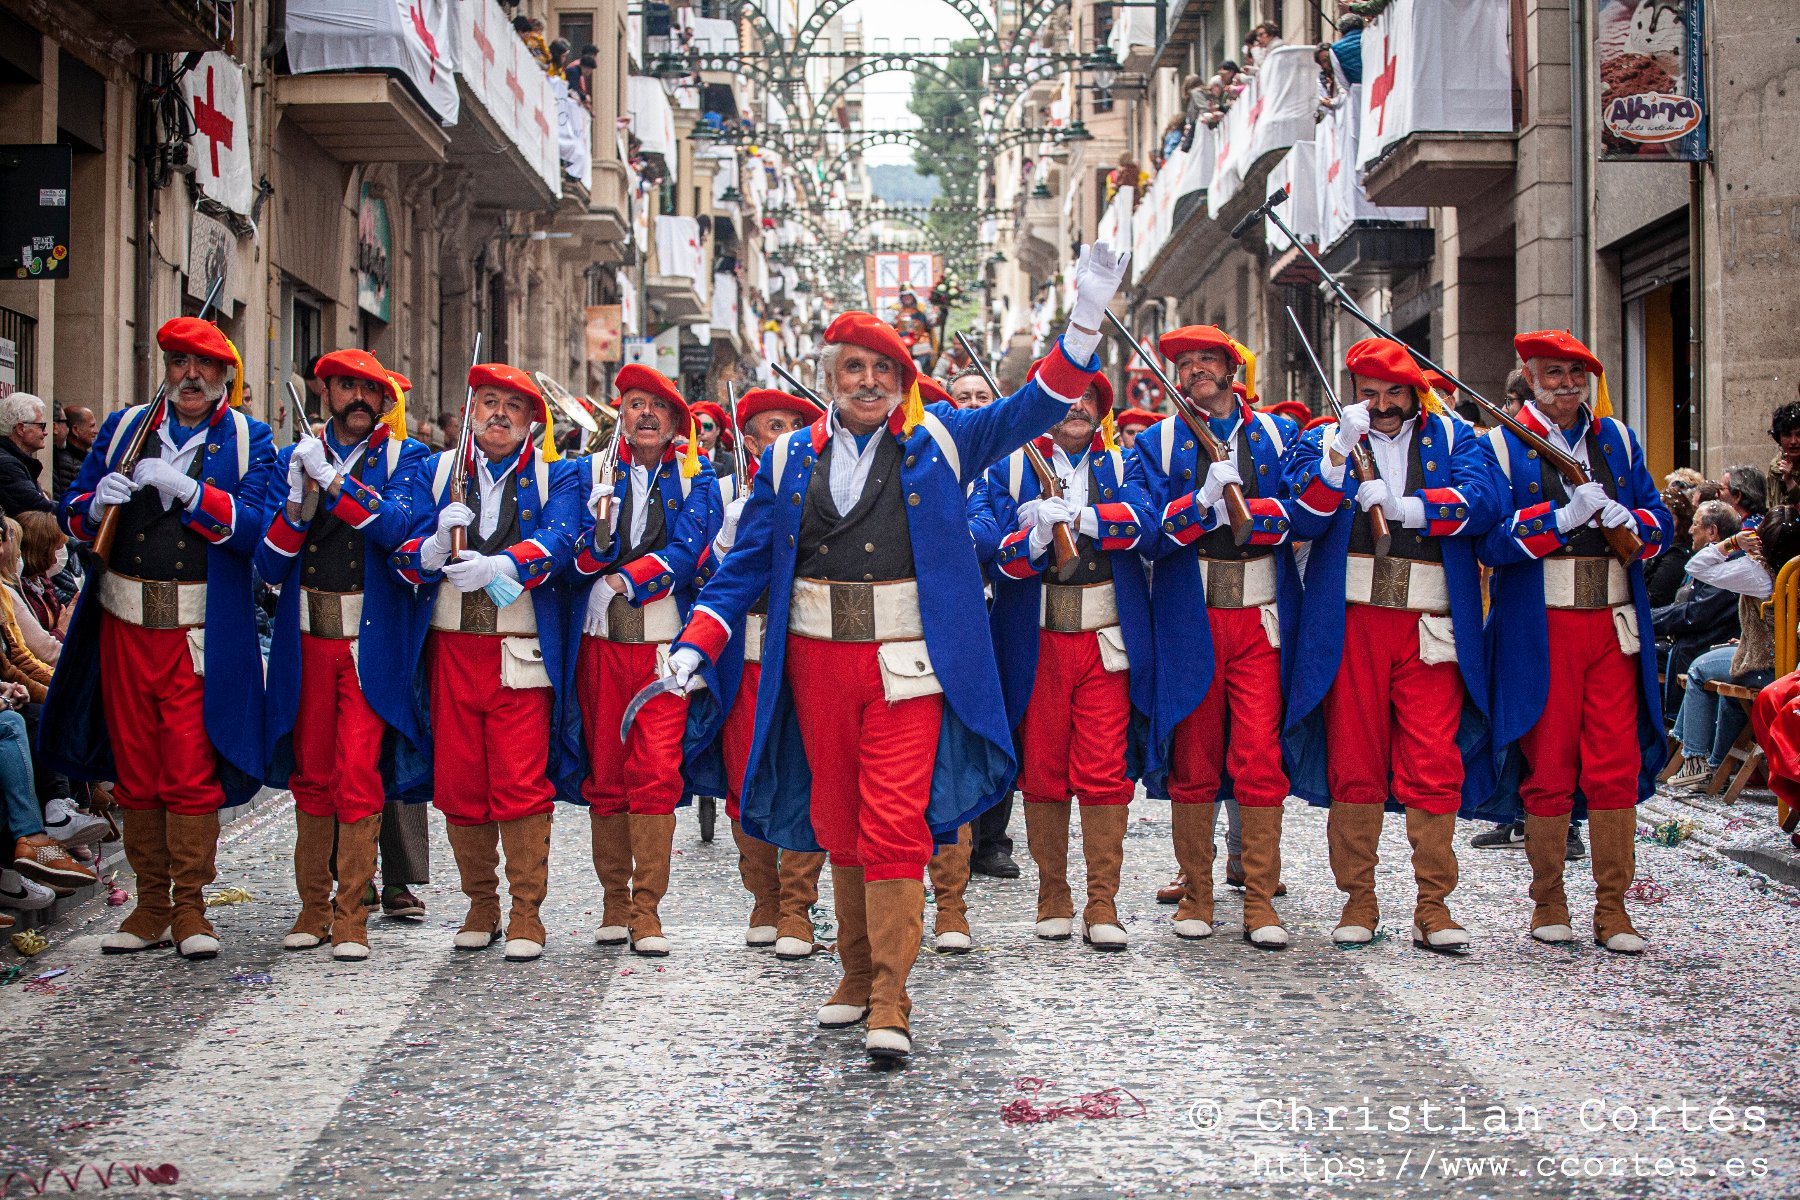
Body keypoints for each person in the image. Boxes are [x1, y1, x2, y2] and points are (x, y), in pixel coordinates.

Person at [666, 242, 1130, 1061]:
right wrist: (695, 642)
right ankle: (852, 975)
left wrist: (1087, 316)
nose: (869, 381)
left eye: (884, 369)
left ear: (904, 380)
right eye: (854, 368)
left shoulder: (944, 440)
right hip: (814, 662)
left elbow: (1036, 404)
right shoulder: (786, 457)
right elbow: (743, 568)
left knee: (890, 821)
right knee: (838, 821)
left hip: (908, 665)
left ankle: (891, 994)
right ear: (831, 377)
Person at [49, 316, 277, 960]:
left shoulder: (248, 439)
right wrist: (96, 505)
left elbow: (257, 529)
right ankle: (150, 904)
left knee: (188, 768)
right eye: (179, 363)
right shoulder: (125, 427)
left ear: (224, 375)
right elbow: (70, 509)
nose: (190, 376)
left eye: (204, 366)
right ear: (167, 370)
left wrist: (191, 493)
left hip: (199, 633)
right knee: (136, 769)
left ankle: (191, 908)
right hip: (123, 625)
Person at [1282, 338, 1500, 951]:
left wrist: (1407, 508)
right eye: (1369, 393)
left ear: (1414, 394)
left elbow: (1485, 503)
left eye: (1393, 393)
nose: (1381, 405)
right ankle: (1359, 900)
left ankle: (1433, 907)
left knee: (1433, 757)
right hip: (1353, 621)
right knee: (1355, 759)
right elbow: (1303, 517)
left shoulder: (1453, 438)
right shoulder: (1326, 437)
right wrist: (1337, 454)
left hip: (1429, 623)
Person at [1130, 325, 1332, 947]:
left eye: (1206, 360)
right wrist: (1199, 506)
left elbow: (1309, 514)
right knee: (1194, 757)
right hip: (1191, 613)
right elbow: (1145, 531)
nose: (1195, 370)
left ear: (1231, 368)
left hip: (1259, 615)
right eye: (1185, 363)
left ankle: (1261, 901)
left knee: (1259, 755)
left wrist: (1259, 507)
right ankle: (1196, 894)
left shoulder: (1277, 433)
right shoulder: (1158, 442)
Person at [1476, 330, 1673, 955]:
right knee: (1550, 762)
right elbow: (1490, 541)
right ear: (1530, 378)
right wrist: (1560, 519)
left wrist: (1630, 520)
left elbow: (1661, 521)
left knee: (1615, 764)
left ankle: (1613, 910)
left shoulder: (1617, 440)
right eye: (1554, 373)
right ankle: (1549, 901)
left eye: (1576, 374)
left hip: (1612, 623)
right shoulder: (1501, 445)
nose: (1567, 385)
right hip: (1544, 624)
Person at [393, 363, 580, 962]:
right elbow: (401, 548)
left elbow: (562, 539)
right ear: (471, 411)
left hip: (519, 650)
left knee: (521, 781)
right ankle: (481, 903)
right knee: (460, 780)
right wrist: (429, 548)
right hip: (451, 647)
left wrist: (503, 565)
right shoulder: (436, 470)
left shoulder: (556, 473)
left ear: (532, 421)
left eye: (513, 405)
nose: (499, 414)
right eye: (489, 401)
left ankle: (527, 911)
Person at [253, 348, 432, 961]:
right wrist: (298, 498)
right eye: (346, 387)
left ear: (385, 399)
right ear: (324, 393)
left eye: (370, 389)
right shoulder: (293, 457)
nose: (359, 398)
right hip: (306, 638)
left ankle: (352, 913)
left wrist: (335, 481)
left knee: (358, 771)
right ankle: (313, 907)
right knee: (311, 774)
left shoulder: (407, 458)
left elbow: (396, 528)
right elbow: (269, 562)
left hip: (368, 642)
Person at [973, 362, 1153, 950]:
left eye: (1087, 398)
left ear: (1101, 411)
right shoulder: (1009, 467)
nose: (1076, 407)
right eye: (1066, 397)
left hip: (1105, 638)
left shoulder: (1123, 464)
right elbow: (993, 554)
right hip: (1039, 635)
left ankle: (1103, 902)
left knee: (1104, 770)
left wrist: (1084, 518)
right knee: (1044, 768)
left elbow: (1148, 524)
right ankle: (1053, 895)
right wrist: (1032, 539)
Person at [569, 363, 717, 957]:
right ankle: (614, 901)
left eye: (658, 406)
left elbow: (687, 551)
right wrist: (596, 540)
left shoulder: (698, 477)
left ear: (676, 421)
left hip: (663, 652)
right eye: (635, 404)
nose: (647, 415)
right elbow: (569, 552)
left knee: (655, 774)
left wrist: (620, 580)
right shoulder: (586, 472)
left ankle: (647, 910)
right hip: (600, 646)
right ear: (621, 416)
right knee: (606, 773)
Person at [692, 387, 828, 958]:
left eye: (796, 425)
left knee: (807, 774)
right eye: (775, 426)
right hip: (744, 653)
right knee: (744, 776)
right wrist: (725, 542)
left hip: (801, 646)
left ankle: (797, 907)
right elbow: (698, 574)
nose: (787, 436)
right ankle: (764, 901)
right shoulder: (721, 493)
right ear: (749, 442)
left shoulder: (824, 487)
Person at [1664, 509, 1796, 789]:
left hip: (1765, 665)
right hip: (1788, 665)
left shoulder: (1757, 572)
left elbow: (1696, 567)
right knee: (1730, 691)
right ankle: (1716, 765)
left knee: (1699, 668)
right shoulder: (1794, 569)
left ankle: (1695, 760)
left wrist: (1732, 542)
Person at [1650, 498, 1740, 719]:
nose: (1690, 530)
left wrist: (1646, 619)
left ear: (1712, 532)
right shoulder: (1715, 562)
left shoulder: (1728, 567)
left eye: (1696, 524)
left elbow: (1695, 614)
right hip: (1689, 644)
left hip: (1702, 648)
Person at [1646, 467, 1705, 607]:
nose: (1661, 524)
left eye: (1669, 519)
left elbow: (1655, 599)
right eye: (1657, 518)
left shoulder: (1676, 555)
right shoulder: (1658, 547)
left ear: (1682, 521)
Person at [15, 511, 68, 659]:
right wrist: (61, 631)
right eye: (56, 549)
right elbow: (34, 650)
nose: (57, 559)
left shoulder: (41, 582)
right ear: (41, 550)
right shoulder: (17, 590)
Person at [0, 393, 53, 517]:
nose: (46, 432)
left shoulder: (15, 460)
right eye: (41, 426)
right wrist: (79, 509)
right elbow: (39, 508)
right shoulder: (7, 465)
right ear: (20, 429)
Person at [55, 406, 96, 503]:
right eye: (92, 426)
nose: (96, 431)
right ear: (75, 430)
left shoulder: (86, 459)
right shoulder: (66, 463)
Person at [1768, 400, 1800, 508]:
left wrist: (1790, 481)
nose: (1793, 441)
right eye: (1787, 435)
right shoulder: (1775, 466)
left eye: (1798, 434)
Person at [1721, 464, 1767, 530]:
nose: (1716, 494)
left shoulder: (1745, 533)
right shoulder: (1766, 523)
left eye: (1721, 489)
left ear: (1737, 496)